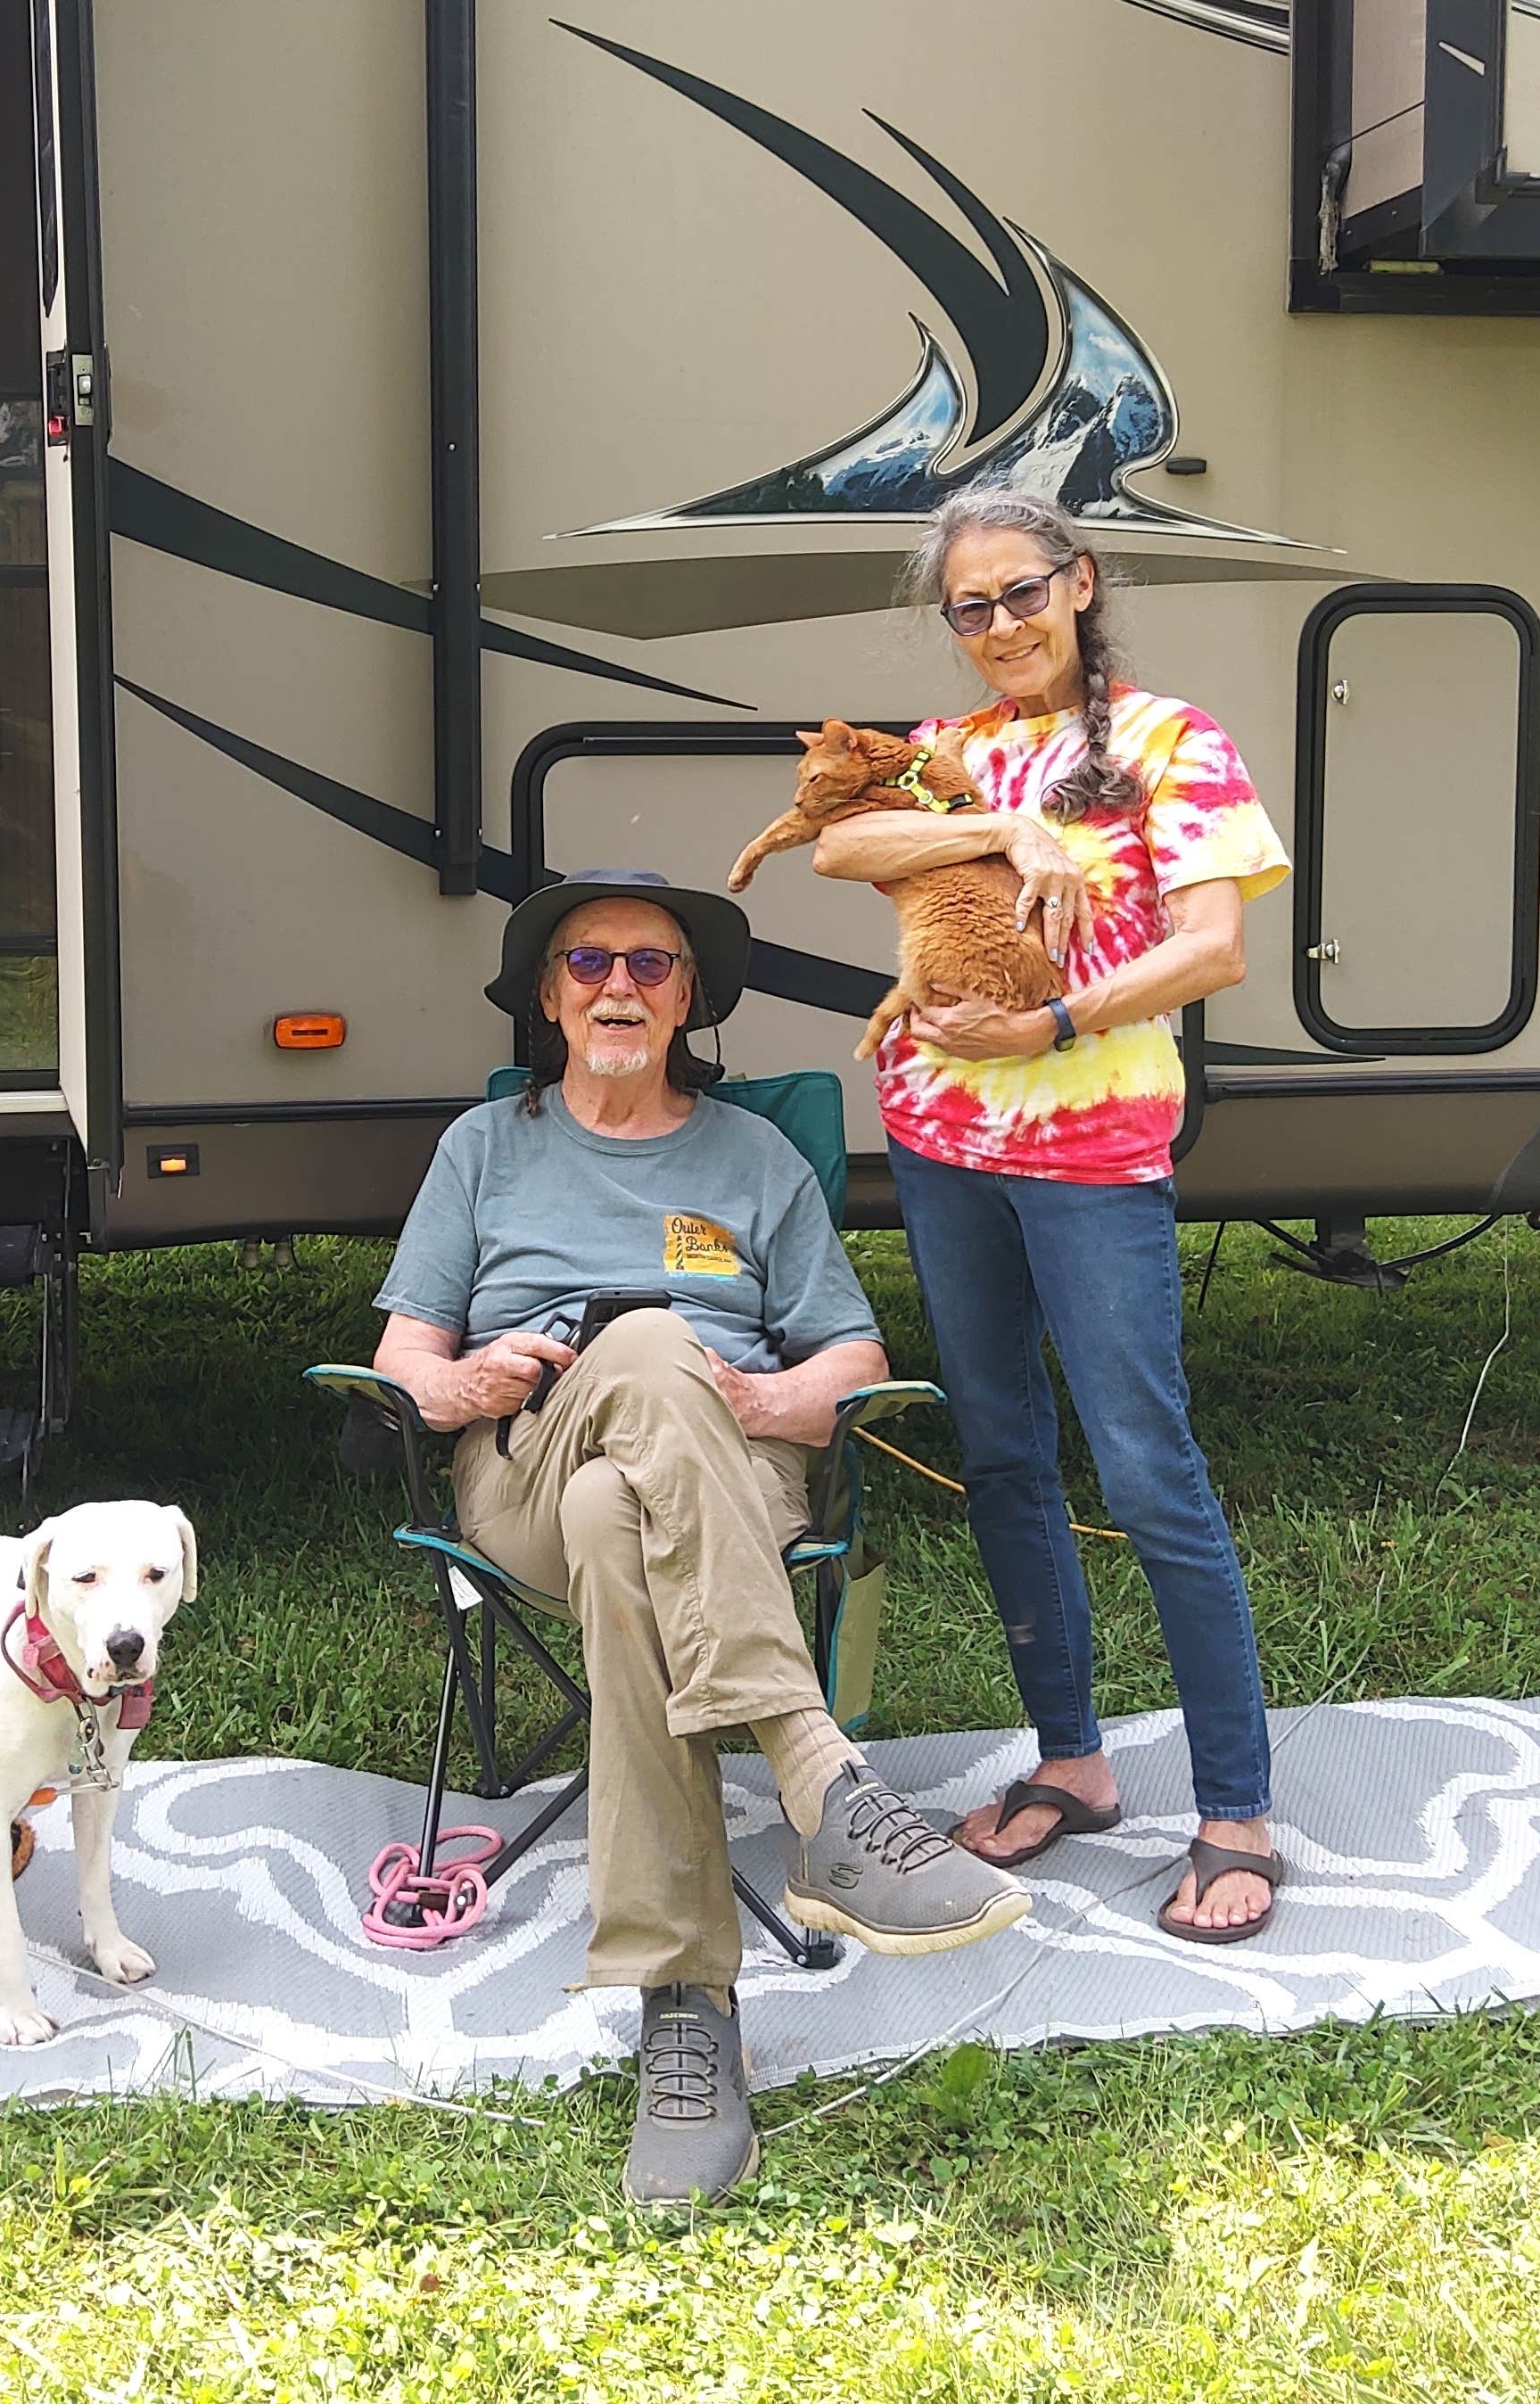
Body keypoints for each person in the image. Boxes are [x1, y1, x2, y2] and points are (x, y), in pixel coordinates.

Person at [371, 868, 1030, 2204]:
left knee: (621, 1510)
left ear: (688, 1002)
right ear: (549, 999)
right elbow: (402, 1362)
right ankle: (821, 1783)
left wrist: (771, 1399)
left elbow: (852, 1358)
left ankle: (687, 2010)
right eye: (590, 963)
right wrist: (474, 1379)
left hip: (724, 1471)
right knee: (644, 1351)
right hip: (527, 1462)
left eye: (651, 966)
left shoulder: (756, 1157)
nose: (619, 985)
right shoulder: (483, 1148)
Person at [809, 484, 1292, 1946]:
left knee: (1147, 1471)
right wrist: (1011, 836)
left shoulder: (1169, 742)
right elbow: (837, 847)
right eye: (972, 606)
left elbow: (1214, 949)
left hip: (1090, 1151)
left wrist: (1056, 1022)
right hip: (939, 1144)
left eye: (1023, 591)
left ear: (1080, 583)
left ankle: (1234, 1811)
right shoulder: (949, 750)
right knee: (1004, 1455)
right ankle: (1073, 1763)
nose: (1002, 624)